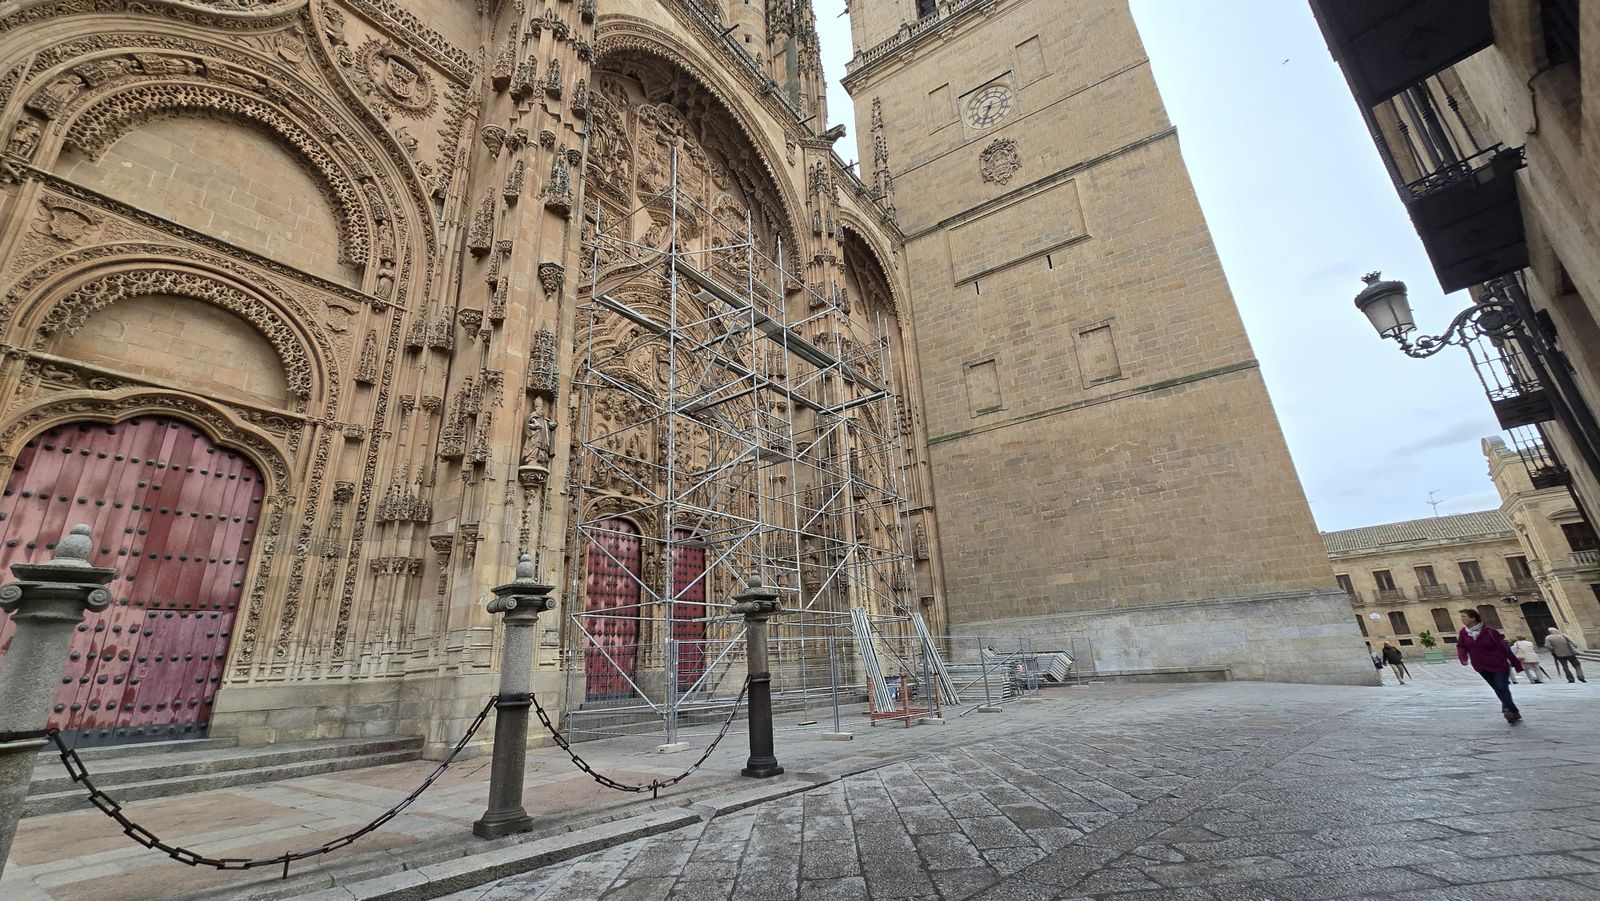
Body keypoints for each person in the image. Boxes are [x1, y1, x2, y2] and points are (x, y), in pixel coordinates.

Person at [1457, 608, 1524, 723]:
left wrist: (1516, 663)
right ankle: (1513, 710)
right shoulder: (1464, 632)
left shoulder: (1489, 631)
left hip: (1498, 663)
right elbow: (1461, 646)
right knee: (1497, 688)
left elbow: (1504, 648)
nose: (1462, 619)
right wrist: (1463, 658)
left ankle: (1508, 709)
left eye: (1464, 616)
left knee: (1502, 687)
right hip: (1481, 665)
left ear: (1473, 618)